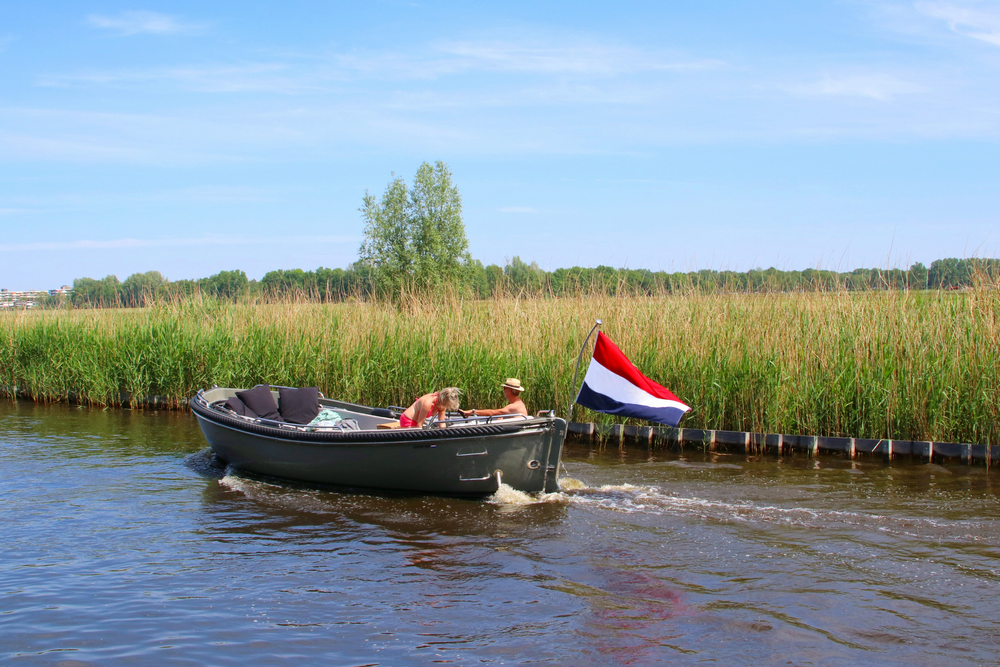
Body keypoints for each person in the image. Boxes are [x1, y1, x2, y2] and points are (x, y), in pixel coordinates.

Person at [460, 378, 528, 418]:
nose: (503, 390)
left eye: (504, 388)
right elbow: (501, 415)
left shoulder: (514, 406)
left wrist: (472, 411)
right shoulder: (518, 403)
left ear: (509, 390)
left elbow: (492, 412)